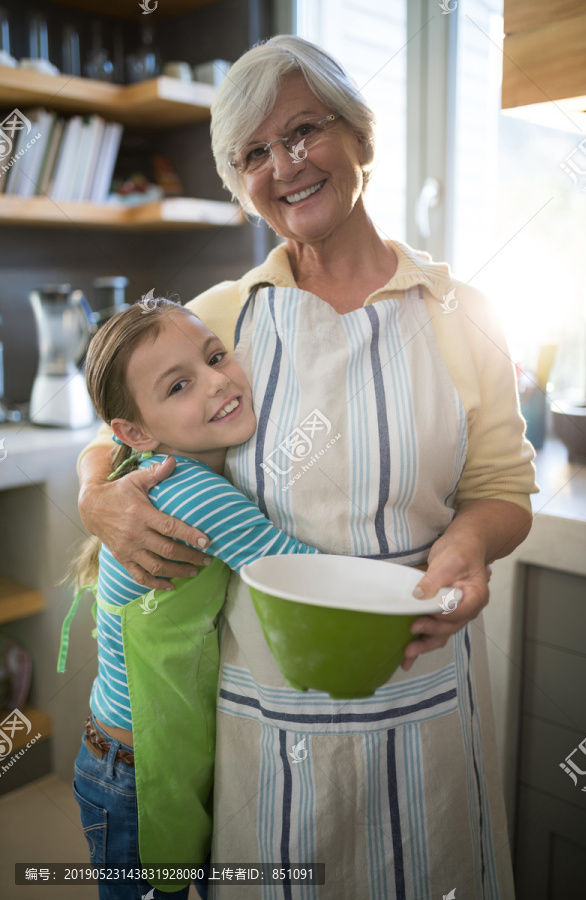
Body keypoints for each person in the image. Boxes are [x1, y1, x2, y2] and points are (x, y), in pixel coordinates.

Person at [77, 35, 539, 900]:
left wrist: (471, 544)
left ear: (360, 137)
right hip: (265, 710)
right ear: (239, 181)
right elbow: (122, 427)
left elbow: (503, 490)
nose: (284, 165)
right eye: (254, 152)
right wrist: (94, 496)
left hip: (423, 686)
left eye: (303, 131)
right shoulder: (222, 317)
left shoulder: (462, 313)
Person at [63, 298, 319, 900]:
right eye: (180, 385)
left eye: (215, 356)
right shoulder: (194, 492)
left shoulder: (162, 464)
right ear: (135, 432)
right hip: (134, 773)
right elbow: (295, 573)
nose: (218, 382)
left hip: (128, 756)